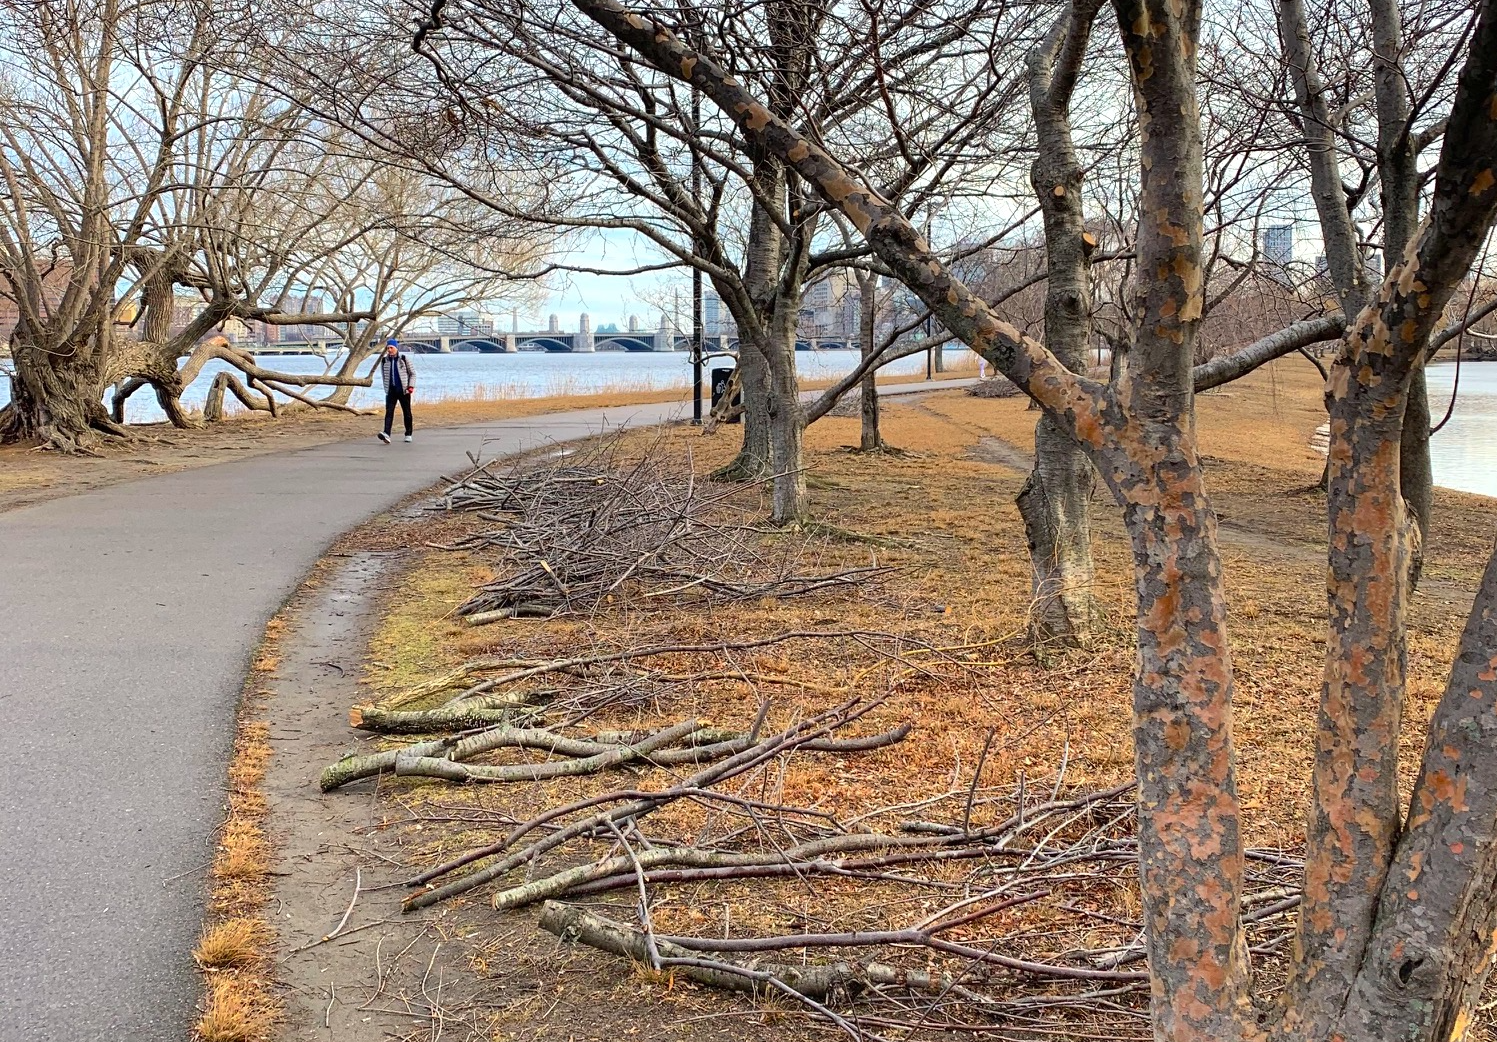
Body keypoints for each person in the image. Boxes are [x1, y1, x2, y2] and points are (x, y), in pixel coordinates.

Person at [377, 338, 416, 443]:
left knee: (407, 412)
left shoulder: (403, 359)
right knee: (389, 412)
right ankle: (386, 434)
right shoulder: (384, 361)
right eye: (388, 348)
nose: (389, 350)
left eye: (391, 348)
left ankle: (408, 434)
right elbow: (384, 376)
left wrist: (410, 386)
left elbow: (412, 374)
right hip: (391, 391)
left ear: (396, 348)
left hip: (404, 391)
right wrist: (386, 388)